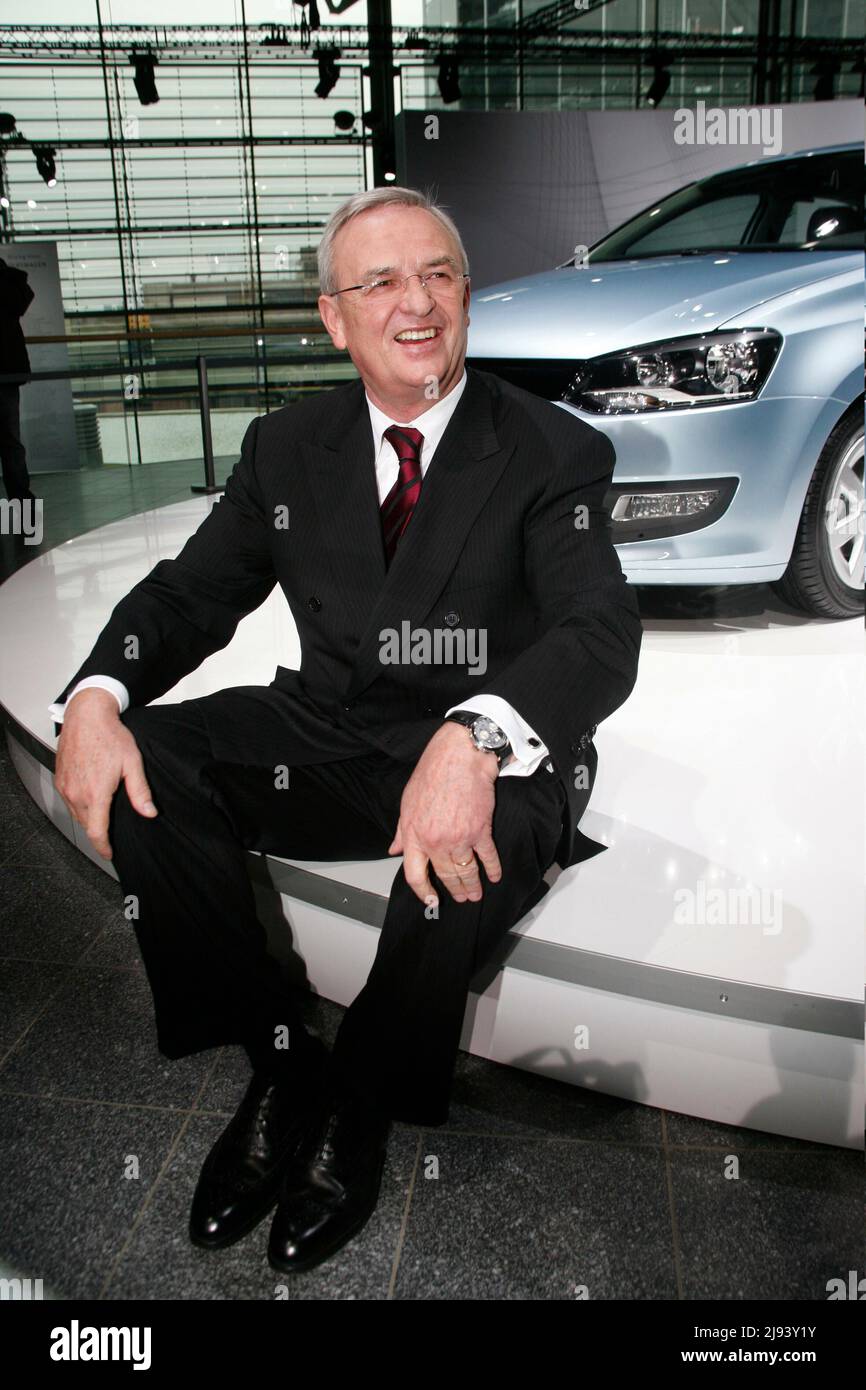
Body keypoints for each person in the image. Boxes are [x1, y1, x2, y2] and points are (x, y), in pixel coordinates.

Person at [50, 186, 642, 1275]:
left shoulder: (550, 449)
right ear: (333, 318)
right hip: (326, 729)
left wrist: (474, 733)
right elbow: (190, 596)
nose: (414, 303)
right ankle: (281, 1063)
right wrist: (95, 695)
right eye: (378, 281)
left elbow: (598, 628)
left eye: (438, 274)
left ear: (465, 294)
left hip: (490, 746)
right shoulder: (288, 443)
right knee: (153, 764)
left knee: (450, 859)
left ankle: (358, 1099)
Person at [0, 255, 37, 504]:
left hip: (6, 376)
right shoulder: (11, 287)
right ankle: (23, 507)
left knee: (11, 442)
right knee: (11, 442)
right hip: (6, 376)